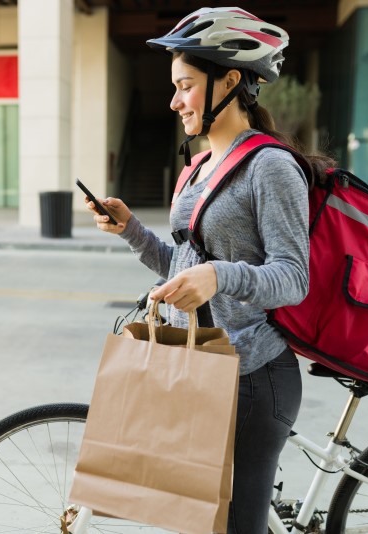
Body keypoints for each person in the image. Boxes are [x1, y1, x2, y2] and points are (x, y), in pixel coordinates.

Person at [85, 7, 333, 533]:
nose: (174, 102)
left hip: (251, 378)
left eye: (186, 87)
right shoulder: (197, 167)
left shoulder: (270, 166)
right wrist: (131, 230)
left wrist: (220, 276)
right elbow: (185, 267)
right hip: (198, 368)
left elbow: (293, 277)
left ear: (231, 82)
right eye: (174, 89)